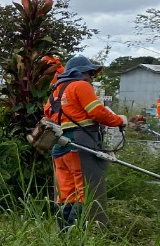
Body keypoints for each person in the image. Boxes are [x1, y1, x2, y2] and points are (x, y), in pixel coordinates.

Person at [43, 54, 124, 229]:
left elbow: (47, 116)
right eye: (90, 73)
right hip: (80, 142)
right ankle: (81, 232)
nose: (91, 77)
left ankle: (64, 233)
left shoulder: (56, 92)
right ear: (81, 72)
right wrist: (119, 120)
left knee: (65, 193)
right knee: (84, 190)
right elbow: (97, 112)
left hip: (59, 145)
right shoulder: (81, 86)